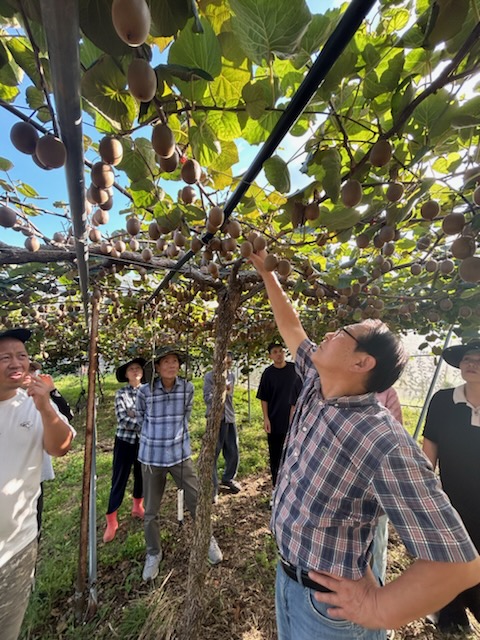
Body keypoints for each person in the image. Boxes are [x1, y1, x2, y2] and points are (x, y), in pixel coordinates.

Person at [250, 250, 480, 640]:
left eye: (343, 333)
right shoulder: (315, 383)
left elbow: (458, 564)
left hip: (328, 610)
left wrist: (380, 608)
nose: (327, 333)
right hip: (289, 580)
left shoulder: (380, 439)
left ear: (362, 363)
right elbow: (291, 328)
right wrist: (267, 275)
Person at [0, 328, 74, 640]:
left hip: (17, 547)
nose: (15, 362)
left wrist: (46, 406)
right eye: (5, 357)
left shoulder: (34, 404)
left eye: (21, 356)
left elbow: (61, 446)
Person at [136, 345, 223, 582]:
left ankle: (207, 541)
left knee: (197, 500)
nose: (172, 365)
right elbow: (141, 418)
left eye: (175, 361)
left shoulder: (187, 388)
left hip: (179, 455)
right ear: (157, 367)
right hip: (152, 456)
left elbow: (186, 416)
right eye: (166, 362)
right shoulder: (144, 392)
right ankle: (153, 553)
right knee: (151, 511)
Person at [423, 340, 480, 633]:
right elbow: (430, 444)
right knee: (450, 557)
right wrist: (423, 488)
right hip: (451, 499)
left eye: (479, 360)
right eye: (468, 358)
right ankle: (452, 614)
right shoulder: (443, 401)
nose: (471, 363)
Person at [23, 361, 74, 539]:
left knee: (32, 530)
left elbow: (67, 417)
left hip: (33, 478)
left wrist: (52, 391)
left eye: (32, 370)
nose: (29, 374)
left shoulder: (40, 398)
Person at [103, 357, 146, 543]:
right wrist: (142, 419)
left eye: (138, 368)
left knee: (141, 475)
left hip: (143, 442)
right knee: (119, 478)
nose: (135, 371)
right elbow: (123, 419)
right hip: (124, 442)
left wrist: (135, 414)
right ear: (126, 374)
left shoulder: (148, 392)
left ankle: (138, 507)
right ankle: (111, 520)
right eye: (131, 369)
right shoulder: (121, 393)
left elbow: (149, 414)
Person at [256, 341, 302, 487]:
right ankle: (277, 487)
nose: (279, 354)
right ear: (270, 356)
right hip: (275, 421)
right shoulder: (268, 374)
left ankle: (293, 485)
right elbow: (264, 398)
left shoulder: (294, 370)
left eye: (281, 351)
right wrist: (266, 419)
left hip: (294, 421)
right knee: (276, 456)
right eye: (275, 352)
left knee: (295, 454)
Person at [371, 387, 403, 584]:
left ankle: (376, 587)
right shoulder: (342, 390)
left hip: (376, 479)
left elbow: (396, 436)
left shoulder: (386, 393)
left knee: (377, 539)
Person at [203, 351, 241, 501]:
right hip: (215, 419)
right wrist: (221, 391)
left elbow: (230, 398)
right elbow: (207, 397)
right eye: (225, 363)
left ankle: (228, 478)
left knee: (233, 450)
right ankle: (213, 488)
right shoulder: (209, 376)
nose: (227, 366)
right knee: (213, 452)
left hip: (229, 417)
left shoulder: (231, 375)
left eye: (230, 363)